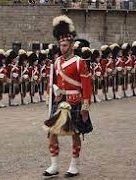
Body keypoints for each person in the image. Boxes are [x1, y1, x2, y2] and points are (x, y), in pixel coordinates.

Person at [42, 15, 93, 178]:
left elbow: (87, 85)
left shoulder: (80, 62)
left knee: (75, 133)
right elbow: (53, 81)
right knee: (51, 132)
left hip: (75, 101)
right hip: (59, 101)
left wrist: (85, 106)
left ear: (71, 45)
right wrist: (51, 92)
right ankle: (54, 165)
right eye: (61, 45)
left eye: (65, 45)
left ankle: (74, 165)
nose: (62, 48)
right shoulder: (56, 62)